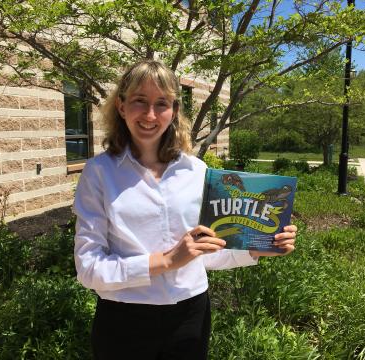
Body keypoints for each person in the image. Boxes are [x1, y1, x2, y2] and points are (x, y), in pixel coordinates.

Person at [73, 59, 297, 360]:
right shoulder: (98, 172)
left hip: (190, 316)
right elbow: (89, 268)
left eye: (161, 103)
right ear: (122, 107)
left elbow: (203, 254)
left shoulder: (197, 171)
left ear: (174, 111)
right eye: (140, 101)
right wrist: (165, 261)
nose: (150, 115)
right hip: (123, 321)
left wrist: (258, 248)